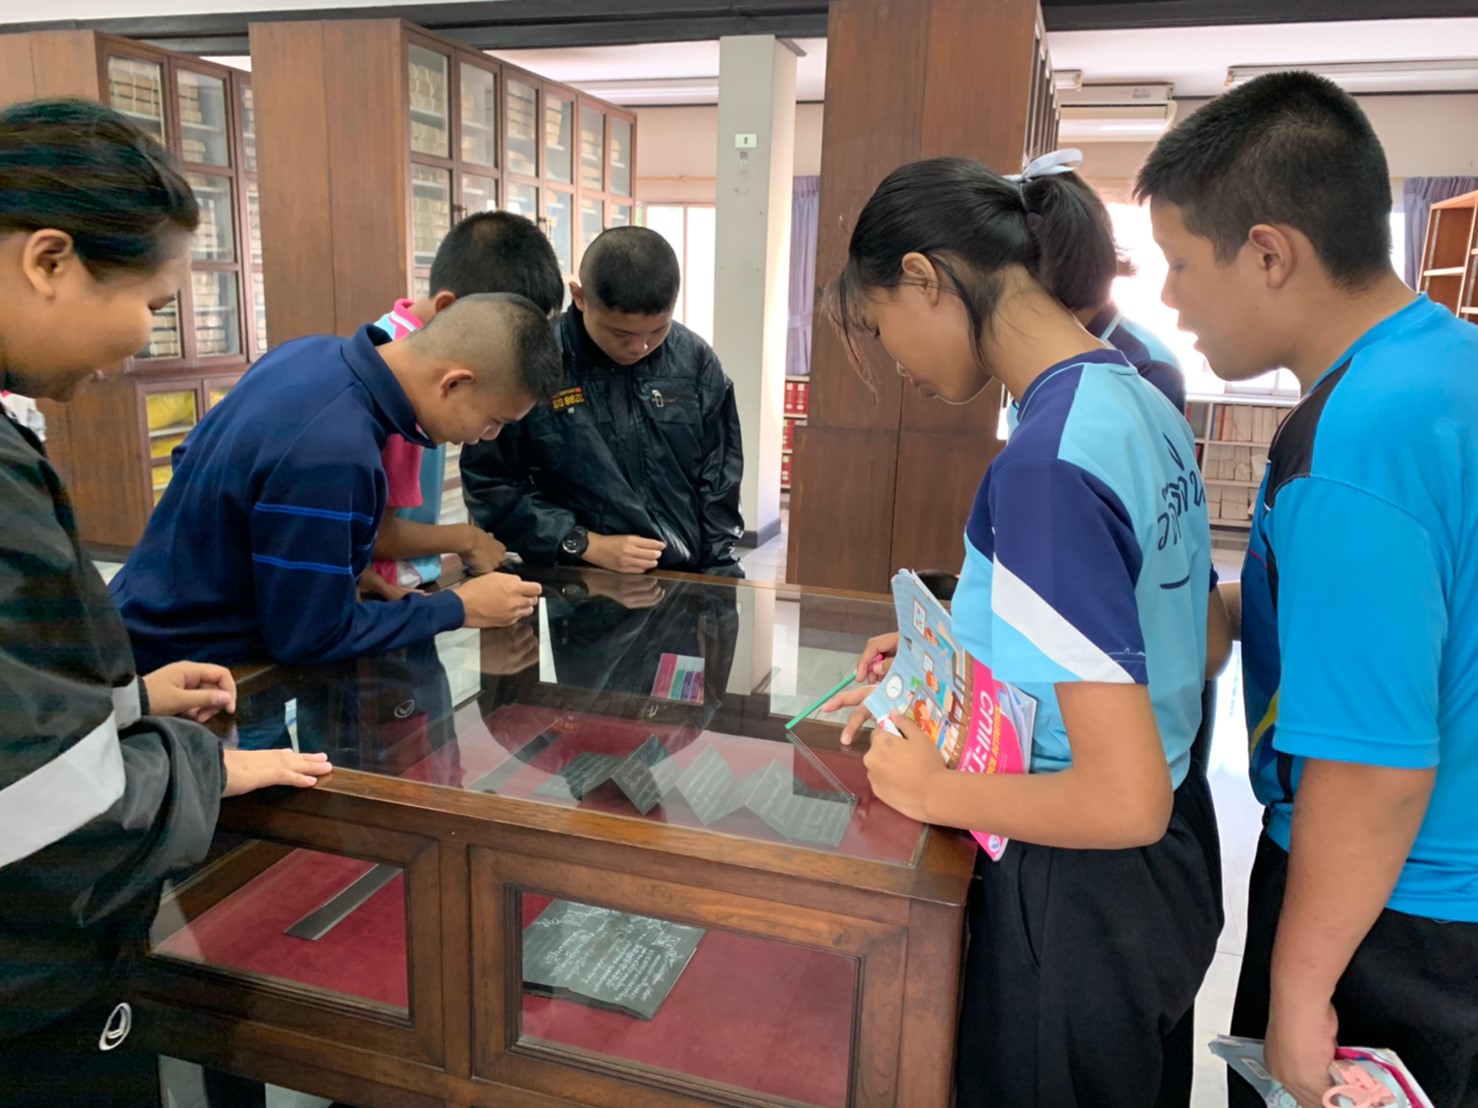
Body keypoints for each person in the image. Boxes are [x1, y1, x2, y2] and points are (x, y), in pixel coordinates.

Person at [823, 155, 1226, 1108]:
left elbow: (1123, 800)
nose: (898, 365)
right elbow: (1195, 636)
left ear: (924, 278)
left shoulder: (1045, 462)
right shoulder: (1136, 398)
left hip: (1077, 886)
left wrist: (931, 788)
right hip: (1167, 873)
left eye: (881, 329)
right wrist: (970, 649)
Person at [1135, 71, 1478, 1108]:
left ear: (1268, 253)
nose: (1169, 299)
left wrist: (1298, 988)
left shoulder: (1353, 445)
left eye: (1179, 263)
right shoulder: (1441, 363)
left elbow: (1373, 769)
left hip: (1397, 915)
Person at [0, 97, 332, 1108]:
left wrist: (124, 703)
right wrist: (203, 765)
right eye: (152, 299)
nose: (145, 338)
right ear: (49, 260)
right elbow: (43, 813)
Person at [110, 293, 556, 673]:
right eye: (494, 421)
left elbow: (196, 464)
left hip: (137, 615)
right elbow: (309, 637)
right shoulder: (337, 448)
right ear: (455, 383)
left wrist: (341, 570)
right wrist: (458, 607)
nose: (485, 437)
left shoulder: (308, 353)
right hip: (196, 668)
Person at [460, 226, 745, 577]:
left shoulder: (695, 359)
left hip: (684, 577)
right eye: (620, 333)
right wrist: (581, 542)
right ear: (579, 297)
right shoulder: (533, 361)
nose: (639, 347)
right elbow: (490, 481)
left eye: (658, 330)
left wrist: (719, 573)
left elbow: (720, 478)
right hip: (578, 579)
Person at [361, 210, 564, 601]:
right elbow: (374, 534)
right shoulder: (405, 386)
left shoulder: (392, 335)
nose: (483, 436)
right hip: (388, 590)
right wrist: (465, 539)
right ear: (450, 311)